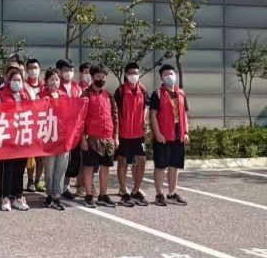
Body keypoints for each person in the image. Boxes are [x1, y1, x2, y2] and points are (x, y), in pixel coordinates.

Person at [149, 64, 189, 207]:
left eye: (171, 73)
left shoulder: (181, 93)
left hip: (178, 136)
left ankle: (172, 193)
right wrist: (158, 133)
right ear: (161, 77)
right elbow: (153, 115)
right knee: (160, 165)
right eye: (165, 75)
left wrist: (186, 132)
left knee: (174, 165)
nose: (169, 76)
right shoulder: (157, 94)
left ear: (175, 75)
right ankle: (159, 194)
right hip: (163, 136)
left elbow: (184, 114)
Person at [80, 65, 118, 209]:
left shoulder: (108, 95)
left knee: (106, 166)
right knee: (89, 166)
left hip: (108, 136)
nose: (100, 79)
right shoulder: (85, 95)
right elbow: (80, 118)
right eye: (97, 77)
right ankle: (89, 194)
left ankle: (103, 194)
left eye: (103, 77)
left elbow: (115, 117)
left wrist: (115, 136)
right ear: (92, 77)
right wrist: (82, 138)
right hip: (91, 137)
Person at [0, 67, 31, 212]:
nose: (17, 83)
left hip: (22, 136)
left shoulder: (25, 95)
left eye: (19, 80)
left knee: (20, 169)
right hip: (8, 137)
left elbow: (32, 111)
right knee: (8, 168)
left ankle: (19, 196)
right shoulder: (1, 94)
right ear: (9, 81)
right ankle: (5, 197)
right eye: (14, 80)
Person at [115, 62, 149, 207]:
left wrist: (144, 121)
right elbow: (116, 112)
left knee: (142, 160)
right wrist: (116, 133)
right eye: (130, 73)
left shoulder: (143, 89)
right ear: (126, 75)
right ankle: (124, 192)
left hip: (139, 133)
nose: (133, 75)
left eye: (135, 73)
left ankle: (135, 191)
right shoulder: (120, 91)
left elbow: (146, 106)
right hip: (124, 133)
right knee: (123, 161)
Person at [39, 69, 67, 211]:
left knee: (61, 167)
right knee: (49, 168)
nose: (54, 83)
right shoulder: (41, 96)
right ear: (46, 81)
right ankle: (49, 194)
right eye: (51, 80)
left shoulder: (64, 96)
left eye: (56, 80)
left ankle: (57, 195)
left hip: (63, 137)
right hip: (48, 137)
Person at [57, 59, 83, 200]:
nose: (69, 72)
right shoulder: (56, 87)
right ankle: (56, 187)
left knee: (72, 162)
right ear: (59, 71)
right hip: (60, 131)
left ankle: (65, 187)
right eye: (66, 70)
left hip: (74, 131)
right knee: (59, 161)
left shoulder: (77, 88)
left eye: (71, 70)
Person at [25, 58, 44, 192]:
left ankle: (38, 180)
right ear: (27, 70)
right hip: (29, 123)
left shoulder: (44, 86)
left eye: (35, 67)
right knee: (30, 154)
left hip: (42, 123)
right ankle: (30, 180)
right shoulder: (24, 86)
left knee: (41, 155)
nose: (33, 70)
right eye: (31, 68)